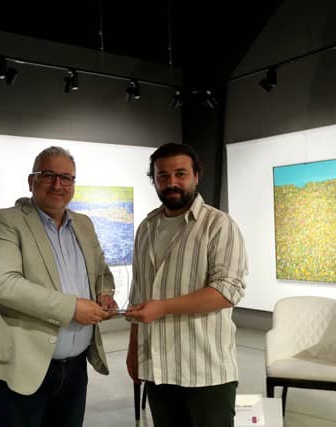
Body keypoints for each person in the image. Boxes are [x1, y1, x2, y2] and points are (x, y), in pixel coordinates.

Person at [0, 146, 118, 427]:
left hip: (75, 370)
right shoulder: (6, 221)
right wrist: (73, 308)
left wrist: (104, 294)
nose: (57, 185)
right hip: (22, 368)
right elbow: (6, 285)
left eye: (66, 178)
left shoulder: (84, 224)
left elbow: (102, 272)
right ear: (32, 181)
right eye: (48, 175)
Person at [125, 142, 248, 427]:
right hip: (158, 369)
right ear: (154, 180)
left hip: (206, 371)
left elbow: (227, 291)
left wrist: (163, 307)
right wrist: (134, 350)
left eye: (180, 174)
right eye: (163, 176)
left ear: (196, 176)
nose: (172, 183)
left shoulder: (219, 225)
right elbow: (138, 293)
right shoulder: (146, 228)